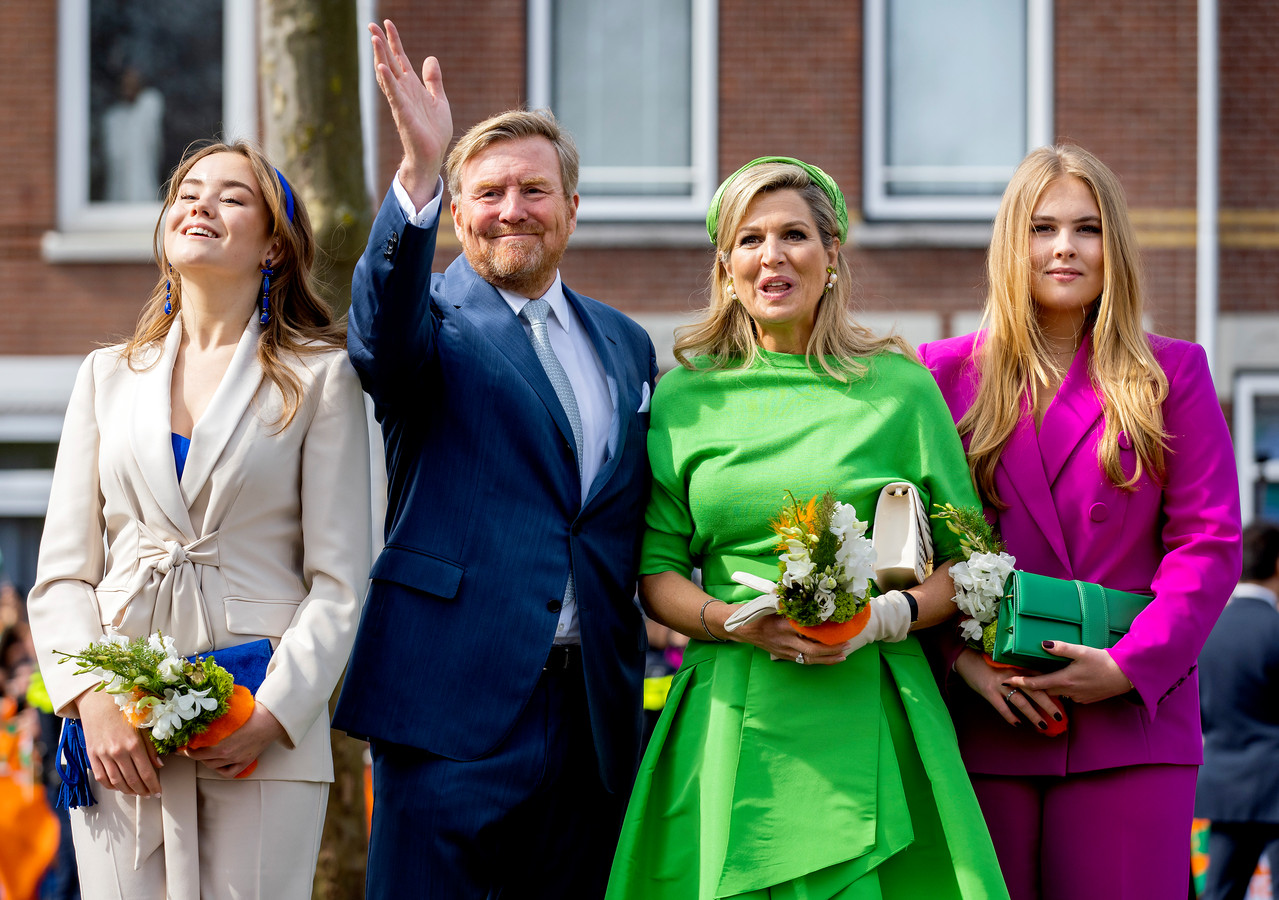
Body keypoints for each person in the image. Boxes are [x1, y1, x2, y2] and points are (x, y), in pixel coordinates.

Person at [605, 157, 1009, 899]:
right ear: (725, 267)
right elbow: (654, 572)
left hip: (875, 703)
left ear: (830, 256)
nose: (772, 255)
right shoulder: (683, 398)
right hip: (729, 700)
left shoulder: (901, 389)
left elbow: (970, 560)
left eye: (793, 234)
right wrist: (732, 622)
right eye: (750, 240)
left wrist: (886, 618)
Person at [331, 20, 658, 900]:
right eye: (487, 193)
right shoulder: (430, 325)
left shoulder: (626, 346)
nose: (511, 209)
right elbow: (377, 338)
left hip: (591, 714)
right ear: (458, 209)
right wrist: (418, 172)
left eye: (534, 190)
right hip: (449, 708)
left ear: (572, 208)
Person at [26, 140, 372, 900]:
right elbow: (61, 575)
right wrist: (92, 701)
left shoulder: (322, 380)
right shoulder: (105, 376)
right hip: (118, 732)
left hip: (261, 723)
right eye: (186, 191)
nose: (199, 205)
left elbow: (341, 581)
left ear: (275, 244)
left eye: (231, 196)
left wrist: (274, 713)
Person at [918, 144, 1242, 900]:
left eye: (1087, 228)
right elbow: (911, 547)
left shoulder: (1173, 373)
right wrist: (958, 663)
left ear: (1114, 246)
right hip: (985, 714)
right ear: (1011, 244)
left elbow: (1208, 542)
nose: (1064, 247)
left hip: (1131, 722)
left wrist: (1130, 666)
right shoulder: (938, 375)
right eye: (1042, 227)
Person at [1196, 520, 1279, 900]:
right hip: (1274, 782)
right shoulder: (1274, 629)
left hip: (1225, 788)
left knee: (1220, 892)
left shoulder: (1205, 632)